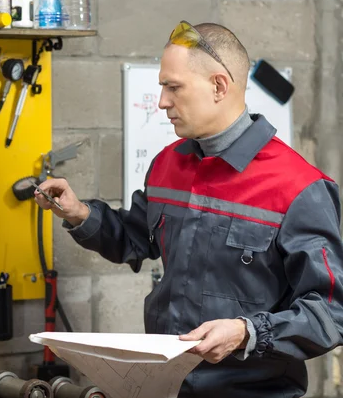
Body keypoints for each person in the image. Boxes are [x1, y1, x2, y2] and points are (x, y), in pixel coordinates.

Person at [34, 20, 343, 398]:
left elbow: (332, 312)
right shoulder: (167, 164)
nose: (162, 101)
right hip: (167, 388)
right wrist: (80, 213)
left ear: (218, 86)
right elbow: (135, 238)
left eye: (173, 87)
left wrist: (248, 333)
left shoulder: (299, 187)